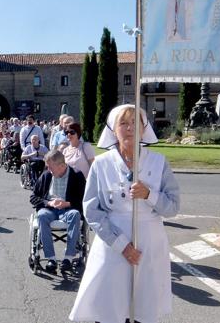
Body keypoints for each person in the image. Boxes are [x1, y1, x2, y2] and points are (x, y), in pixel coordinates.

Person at [70, 105, 180, 323]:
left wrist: (149, 194)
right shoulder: (101, 164)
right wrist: (122, 245)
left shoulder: (158, 162)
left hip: (149, 244)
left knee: (143, 308)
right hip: (112, 246)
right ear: (113, 129)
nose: (130, 128)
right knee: (110, 308)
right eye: (123, 123)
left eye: (135, 123)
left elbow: (173, 207)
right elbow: (92, 210)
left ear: (143, 127)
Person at [29, 149, 85, 274]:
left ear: (61, 165)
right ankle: (51, 259)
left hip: (68, 209)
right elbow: (33, 197)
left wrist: (67, 203)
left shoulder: (76, 175)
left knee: (75, 214)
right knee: (42, 215)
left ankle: (68, 258)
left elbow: (84, 199)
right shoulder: (46, 175)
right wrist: (49, 202)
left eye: (50, 167)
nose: (48, 170)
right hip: (49, 210)